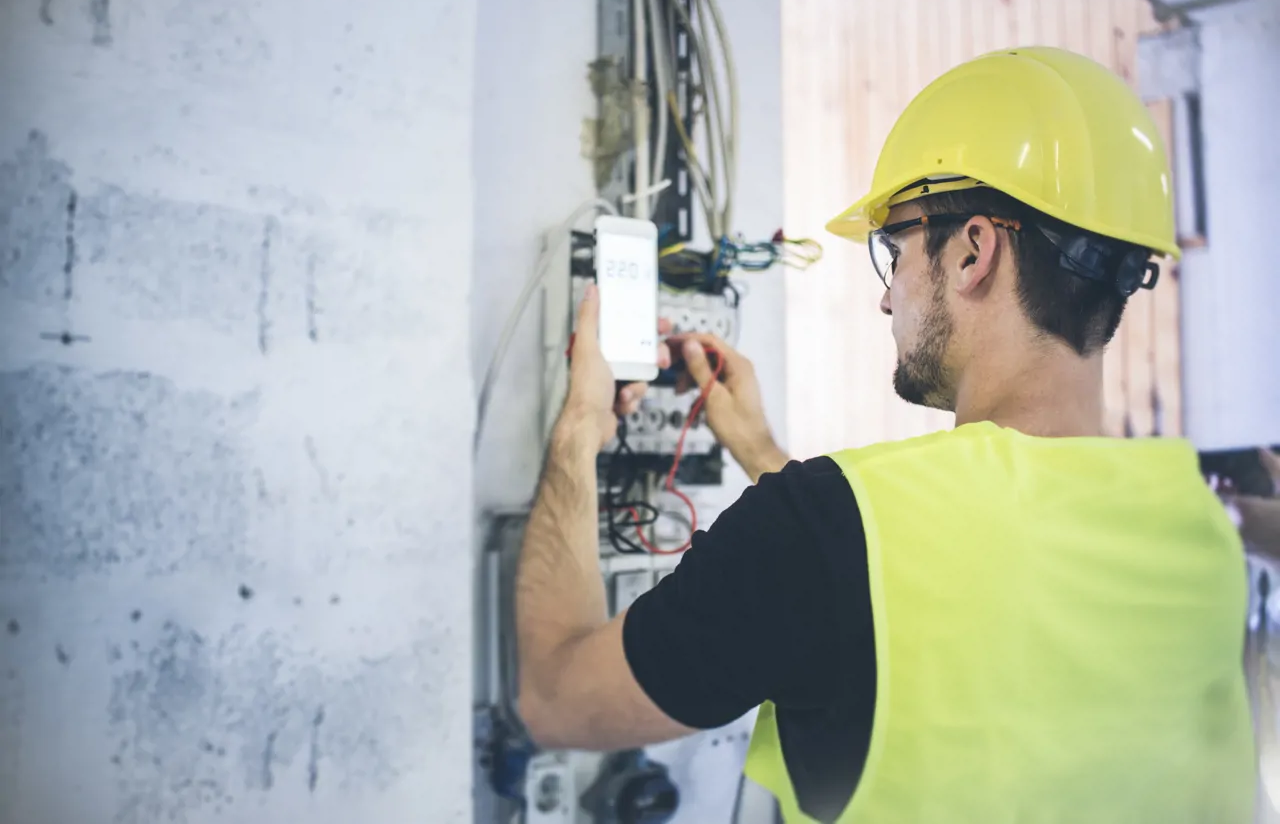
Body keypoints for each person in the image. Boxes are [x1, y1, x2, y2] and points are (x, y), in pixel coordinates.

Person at [514, 47, 1255, 823]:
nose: (885, 299)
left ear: (973, 251)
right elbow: (959, 582)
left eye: (893, 248)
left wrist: (579, 428)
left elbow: (557, 697)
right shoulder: (1202, 529)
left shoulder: (821, 529)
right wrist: (766, 456)